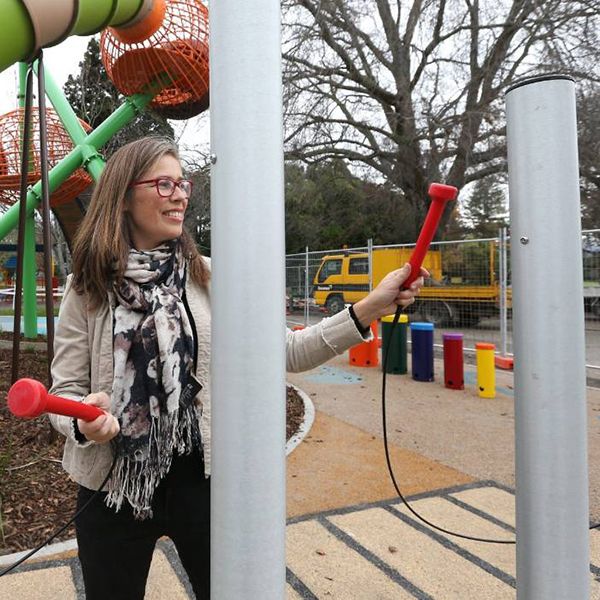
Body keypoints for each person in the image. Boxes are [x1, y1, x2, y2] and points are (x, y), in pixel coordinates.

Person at [48, 136, 425, 600]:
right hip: (110, 488)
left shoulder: (210, 276)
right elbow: (64, 389)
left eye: (181, 184)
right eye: (164, 184)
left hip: (202, 484)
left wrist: (368, 308)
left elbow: (287, 352)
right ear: (124, 197)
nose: (181, 195)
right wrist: (83, 422)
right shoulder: (85, 286)